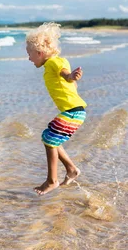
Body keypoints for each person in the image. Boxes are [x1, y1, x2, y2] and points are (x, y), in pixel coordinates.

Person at [26, 22, 87, 195]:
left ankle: (52, 180)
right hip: (74, 111)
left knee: (49, 139)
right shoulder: (50, 64)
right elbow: (69, 82)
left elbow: (64, 72)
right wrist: (71, 81)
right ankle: (71, 169)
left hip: (73, 111)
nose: (29, 58)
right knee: (50, 138)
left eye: (29, 54)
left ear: (39, 53)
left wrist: (70, 76)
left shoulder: (54, 62)